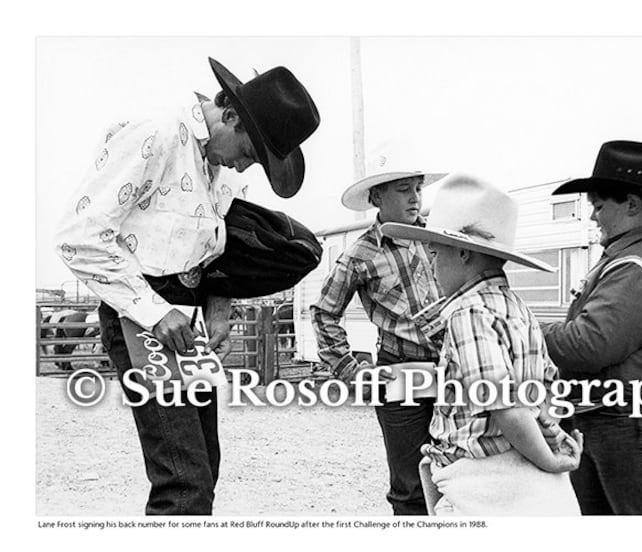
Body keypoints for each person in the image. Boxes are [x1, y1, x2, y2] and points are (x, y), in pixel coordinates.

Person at [55, 57, 320, 515]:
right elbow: (78, 236)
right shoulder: (156, 134)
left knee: (203, 466)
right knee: (184, 481)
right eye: (249, 152)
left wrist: (219, 304)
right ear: (230, 114)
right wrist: (155, 312)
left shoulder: (218, 168)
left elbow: (216, 247)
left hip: (185, 315)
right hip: (141, 316)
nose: (243, 167)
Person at [381, 173, 583, 516]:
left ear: (462, 253)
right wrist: (550, 432)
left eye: (436, 254)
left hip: (479, 475)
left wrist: (548, 461)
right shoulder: (518, 307)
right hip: (518, 460)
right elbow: (546, 384)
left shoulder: (468, 313)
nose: (433, 266)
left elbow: (504, 404)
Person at [542, 140, 642, 515]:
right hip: (617, 418)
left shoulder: (637, 265)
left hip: (631, 422)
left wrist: (523, 328)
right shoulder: (636, 257)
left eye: (599, 206)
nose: (593, 216)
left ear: (631, 204)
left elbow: (590, 344)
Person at [310, 144, 447, 515]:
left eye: (418, 188)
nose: (415, 198)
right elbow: (324, 312)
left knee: (459, 473)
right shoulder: (361, 254)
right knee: (410, 484)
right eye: (403, 190)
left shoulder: (440, 238)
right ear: (377, 197)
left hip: (452, 367)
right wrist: (352, 372)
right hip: (399, 370)